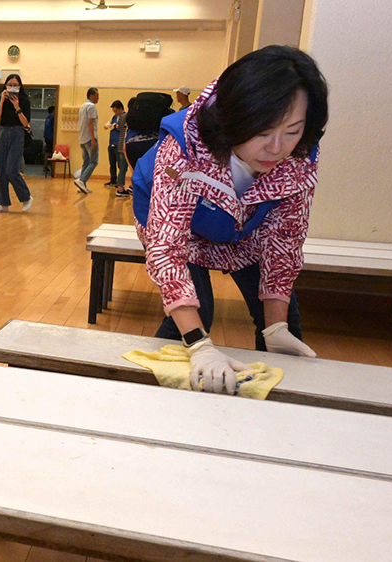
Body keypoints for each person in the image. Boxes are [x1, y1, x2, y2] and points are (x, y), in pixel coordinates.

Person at [138, 45, 328, 395]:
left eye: (292, 130)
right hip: (182, 231)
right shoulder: (184, 146)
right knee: (194, 317)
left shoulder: (300, 155)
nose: (276, 148)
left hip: (245, 230)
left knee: (286, 323)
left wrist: (275, 328)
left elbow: (285, 238)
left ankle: (276, 411)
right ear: (233, 117)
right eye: (261, 132)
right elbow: (167, 246)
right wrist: (200, 345)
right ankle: (150, 398)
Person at [0, 74, 33, 213]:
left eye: (15, 85)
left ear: (20, 86)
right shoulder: (2, 98)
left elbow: (25, 123)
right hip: (4, 133)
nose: (12, 87)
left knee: (11, 169)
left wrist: (17, 107)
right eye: (10, 84)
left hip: (18, 133)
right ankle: (3, 203)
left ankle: (26, 197)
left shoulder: (24, 101)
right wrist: (2, 100)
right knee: (2, 170)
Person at [74, 87, 99, 194]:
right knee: (94, 161)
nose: (98, 97)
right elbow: (90, 124)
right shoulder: (91, 107)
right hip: (89, 138)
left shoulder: (83, 106)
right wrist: (93, 139)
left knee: (86, 162)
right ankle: (82, 180)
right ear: (91, 95)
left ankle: (82, 185)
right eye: (97, 95)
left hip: (82, 138)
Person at [104, 100, 125, 188]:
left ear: (120, 108)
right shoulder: (114, 117)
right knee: (112, 163)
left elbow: (123, 128)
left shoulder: (124, 117)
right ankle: (113, 180)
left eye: (116, 110)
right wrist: (112, 125)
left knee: (120, 164)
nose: (115, 112)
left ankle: (120, 182)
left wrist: (116, 126)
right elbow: (106, 126)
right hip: (112, 143)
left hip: (119, 144)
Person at [115, 98, 133, 197]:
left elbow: (119, 128)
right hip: (126, 144)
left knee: (122, 167)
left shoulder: (123, 117)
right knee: (128, 167)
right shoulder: (130, 117)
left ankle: (120, 187)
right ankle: (125, 187)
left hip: (121, 144)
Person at [42, 105, 56, 176]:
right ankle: (47, 166)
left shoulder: (48, 118)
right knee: (49, 152)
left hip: (46, 136)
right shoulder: (53, 118)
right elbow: (54, 127)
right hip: (50, 137)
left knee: (47, 151)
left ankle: (45, 166)